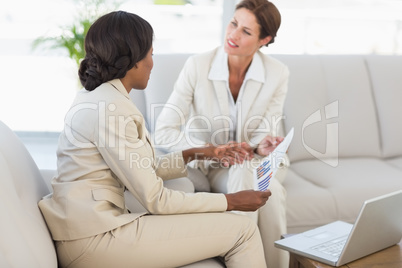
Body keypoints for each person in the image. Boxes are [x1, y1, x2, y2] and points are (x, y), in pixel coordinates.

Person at [38, 10, 272, 268]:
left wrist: (196, 153)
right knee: (244, 231)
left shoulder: (96, 97)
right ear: (133, 60)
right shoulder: (113, 110)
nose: (152, 62)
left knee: (229, 225)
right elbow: (157, 199)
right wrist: (231, 201)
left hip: (85, 234)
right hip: (95, 241)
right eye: (151, 53)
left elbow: (139, 168)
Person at [155, 0, 290, 267]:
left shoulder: (278, 73)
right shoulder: (198, 66)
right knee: (267, 193)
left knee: (254, 177)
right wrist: (208, 149)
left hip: (261, 163)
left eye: (246, 32)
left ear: (265, 39)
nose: (233, 35)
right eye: (233, 24)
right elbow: (164, 131)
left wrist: (258, 148)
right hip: (216, 166)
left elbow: (267, 128)